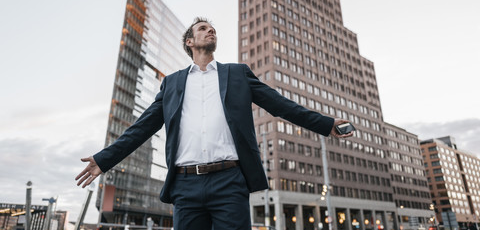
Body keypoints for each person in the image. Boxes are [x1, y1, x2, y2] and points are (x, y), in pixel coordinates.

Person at [76, 17, 354, 230]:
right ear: (189, 42)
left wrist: (325, 124)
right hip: (185, 186)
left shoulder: (237, 74)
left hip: (229, 182)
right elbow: (143, 127)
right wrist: (105, 159)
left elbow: (280, 105)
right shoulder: (173, 83)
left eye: (212, 29)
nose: (211, 31)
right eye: (203, 28)